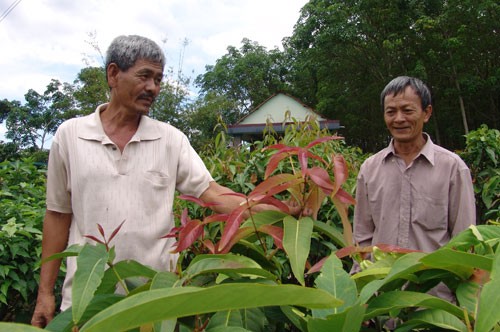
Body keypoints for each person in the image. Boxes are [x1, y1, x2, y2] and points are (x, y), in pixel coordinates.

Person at [31, 35, 297, 328]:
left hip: (157, 304)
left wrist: (276, 209)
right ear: (113, 74)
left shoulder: (170, 139)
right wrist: (45, 293)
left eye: (158, 79)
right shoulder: (70, 136)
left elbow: (210, 192)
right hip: (86, 302)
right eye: (144, 76)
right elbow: (57, 213)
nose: (153, 88)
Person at [353, 75, 475, 255]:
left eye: (407, 110)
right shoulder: (370, 169)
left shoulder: (452, 168)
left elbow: (464, 237)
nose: (399, 119)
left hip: (434, 281)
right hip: (383, 281)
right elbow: (362, 235)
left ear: (427, 113)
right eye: (391, 112)